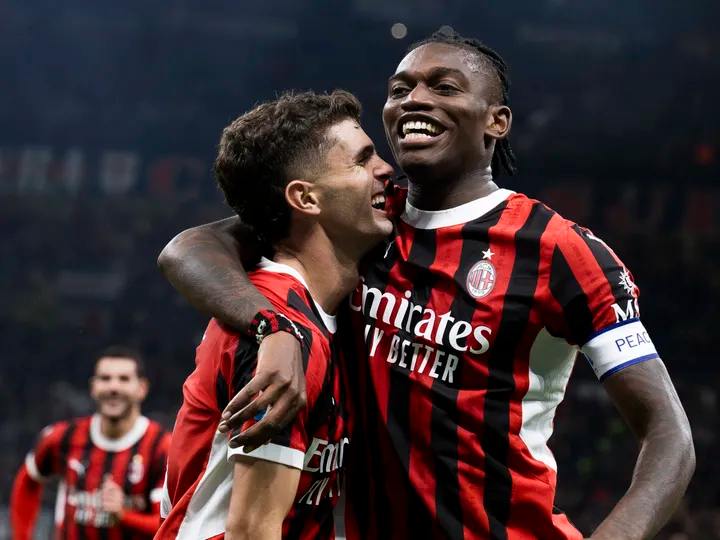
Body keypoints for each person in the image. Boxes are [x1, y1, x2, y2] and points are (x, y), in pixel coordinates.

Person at [157, 30, 695, 540]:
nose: (414, 99)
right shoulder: (364, 219)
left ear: (497, 121)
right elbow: (189, 248)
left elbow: (669, 436)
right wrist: (274, 327)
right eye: (399, 89)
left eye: (444, 87)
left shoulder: (560, 251)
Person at [156, 90, 393, 539]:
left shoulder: (319, 315)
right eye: (361, 161)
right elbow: (252, 530)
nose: (384, 169)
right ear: (305, 198)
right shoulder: (284, 327)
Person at [10, 346, 170, 540]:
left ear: (142, 388)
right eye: (105, 378)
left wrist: (123, 516)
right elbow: (28, 480)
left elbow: (168, 526)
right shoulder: (63, 437)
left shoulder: (161, 448)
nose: (113, 387)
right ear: (93, 387)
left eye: (124, 379)